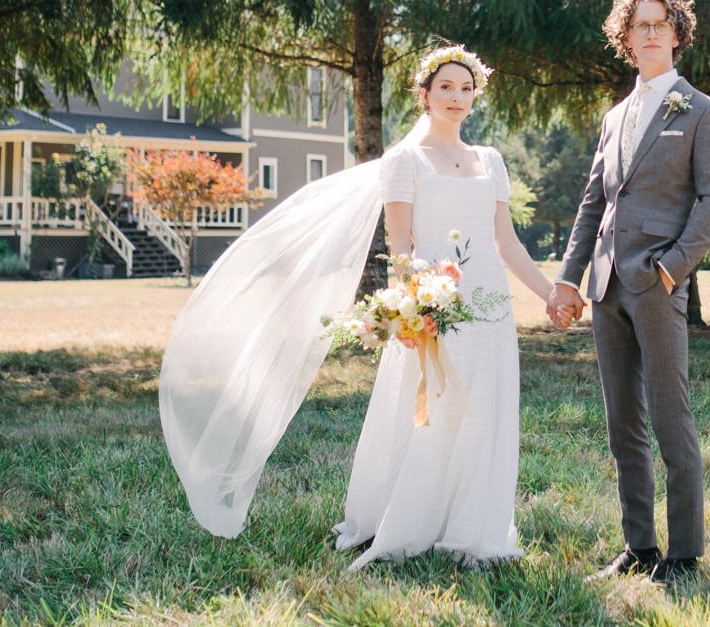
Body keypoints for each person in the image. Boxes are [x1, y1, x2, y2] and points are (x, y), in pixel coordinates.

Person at [160, 45, 567, 569]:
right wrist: (417, 307)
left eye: (466, 89)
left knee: (482, 411)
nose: (457, 97)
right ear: (425, 94)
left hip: (488, 308)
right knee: (434, 413)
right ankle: (410, 518)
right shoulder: (405, 162)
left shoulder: (490, 160)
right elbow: (401, 246)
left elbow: (506, 243)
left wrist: (550, 291)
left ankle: (470, 525)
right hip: (436, 307)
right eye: (446, 87)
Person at [547, 0, 710, 585]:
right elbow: (593, 201)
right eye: (639, 26)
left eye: (660, 24)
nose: (650, 33)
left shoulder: (702, 111)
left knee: (670, 416)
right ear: (625, 39)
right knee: (622, 420)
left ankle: (684, 554)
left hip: (656, 283)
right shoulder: (615, 116)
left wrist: (671, 265)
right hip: (604, 286)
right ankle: (639, 546)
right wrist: (568, 279)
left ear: (676, 34)